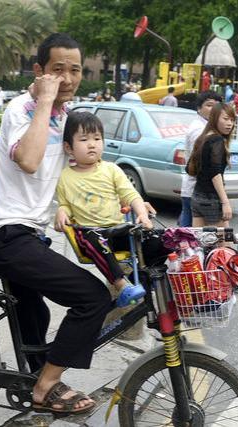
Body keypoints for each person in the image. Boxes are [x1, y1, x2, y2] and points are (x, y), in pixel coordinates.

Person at [0, 33, 108, 415]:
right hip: (4, 234)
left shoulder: (66, 116)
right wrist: (44, 100)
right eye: (57, 70)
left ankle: (38, 378)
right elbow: (29, 161)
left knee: (37, 313)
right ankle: (46, 384)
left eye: (75, 70)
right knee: (92, 297)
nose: (68, 78)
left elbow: (83, 173)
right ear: (39, 71)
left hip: (29, 234)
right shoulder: (22, 109)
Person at [54, 111, 159, 307]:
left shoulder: (111, 169)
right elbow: (66, 204)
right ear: (69, 147)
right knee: (92, 237)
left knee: (154, 239)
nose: (92, 144)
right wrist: (62, 211)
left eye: (97, 138)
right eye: (84, 139)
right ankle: (122, 285)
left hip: (116, 230)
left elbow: (131, 195)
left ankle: (155, 278)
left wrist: (143, 215)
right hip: (90, 233)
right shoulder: (65, 177)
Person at [186, 103, 236, 227]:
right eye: (225, 119)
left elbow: (189, 168)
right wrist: (225, 202)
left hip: (197, 196)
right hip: (212, 198)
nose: (230, 123)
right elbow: (215, 174)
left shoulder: (203, 137)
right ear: (214, 118)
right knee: (225, 244)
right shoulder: (216, 140)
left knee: (199, 242)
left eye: (232, 120)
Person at [179, 91, 222, 227]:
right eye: (209, 105)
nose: (214, 109)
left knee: (188, 230)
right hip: (196, 189)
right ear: (198, 108)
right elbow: (206, 164)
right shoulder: (199, 130)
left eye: (217, 105)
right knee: (191, 233)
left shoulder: (208, 127)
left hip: (195, 189)